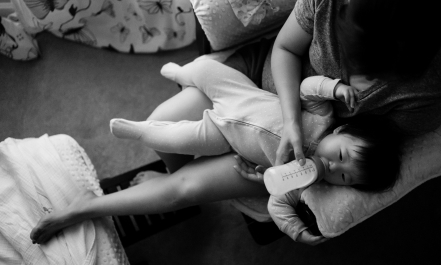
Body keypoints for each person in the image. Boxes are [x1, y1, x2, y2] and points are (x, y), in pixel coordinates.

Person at [30, 59, 401, 245]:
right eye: (342, 154)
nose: (334, 167)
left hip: (247, 152)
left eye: (342, 176)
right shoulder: (322, 118)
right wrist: (334, 89)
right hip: (244, 99)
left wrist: (286, 214)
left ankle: (82, 207)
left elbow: (280, 203)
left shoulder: (306, 180)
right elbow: (307, 89)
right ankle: (174, 104)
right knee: (163, 127)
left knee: (184, 189)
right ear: (342, 129)